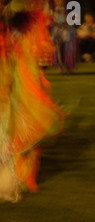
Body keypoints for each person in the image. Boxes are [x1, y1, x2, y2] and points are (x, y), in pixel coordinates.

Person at [0, 0, 64, 202]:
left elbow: (34, 55)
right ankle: (21, 174)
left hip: (25, 85)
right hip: (14, 85)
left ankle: (26, 175)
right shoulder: (11, 27)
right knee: (17, 133)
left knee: (30, 131)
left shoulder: (27, 27)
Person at [50, 0, 77, 73]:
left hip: (68, 30)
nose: (59, 2)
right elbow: (51, 21)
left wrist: (66, 25)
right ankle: (60, 66)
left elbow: (74, 19)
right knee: (58, 49)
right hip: (57, 30)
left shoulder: (69, 9)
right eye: (57, 1)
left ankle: (69, 66)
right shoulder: (52, 11)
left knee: (68, 49)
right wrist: (58, 25)